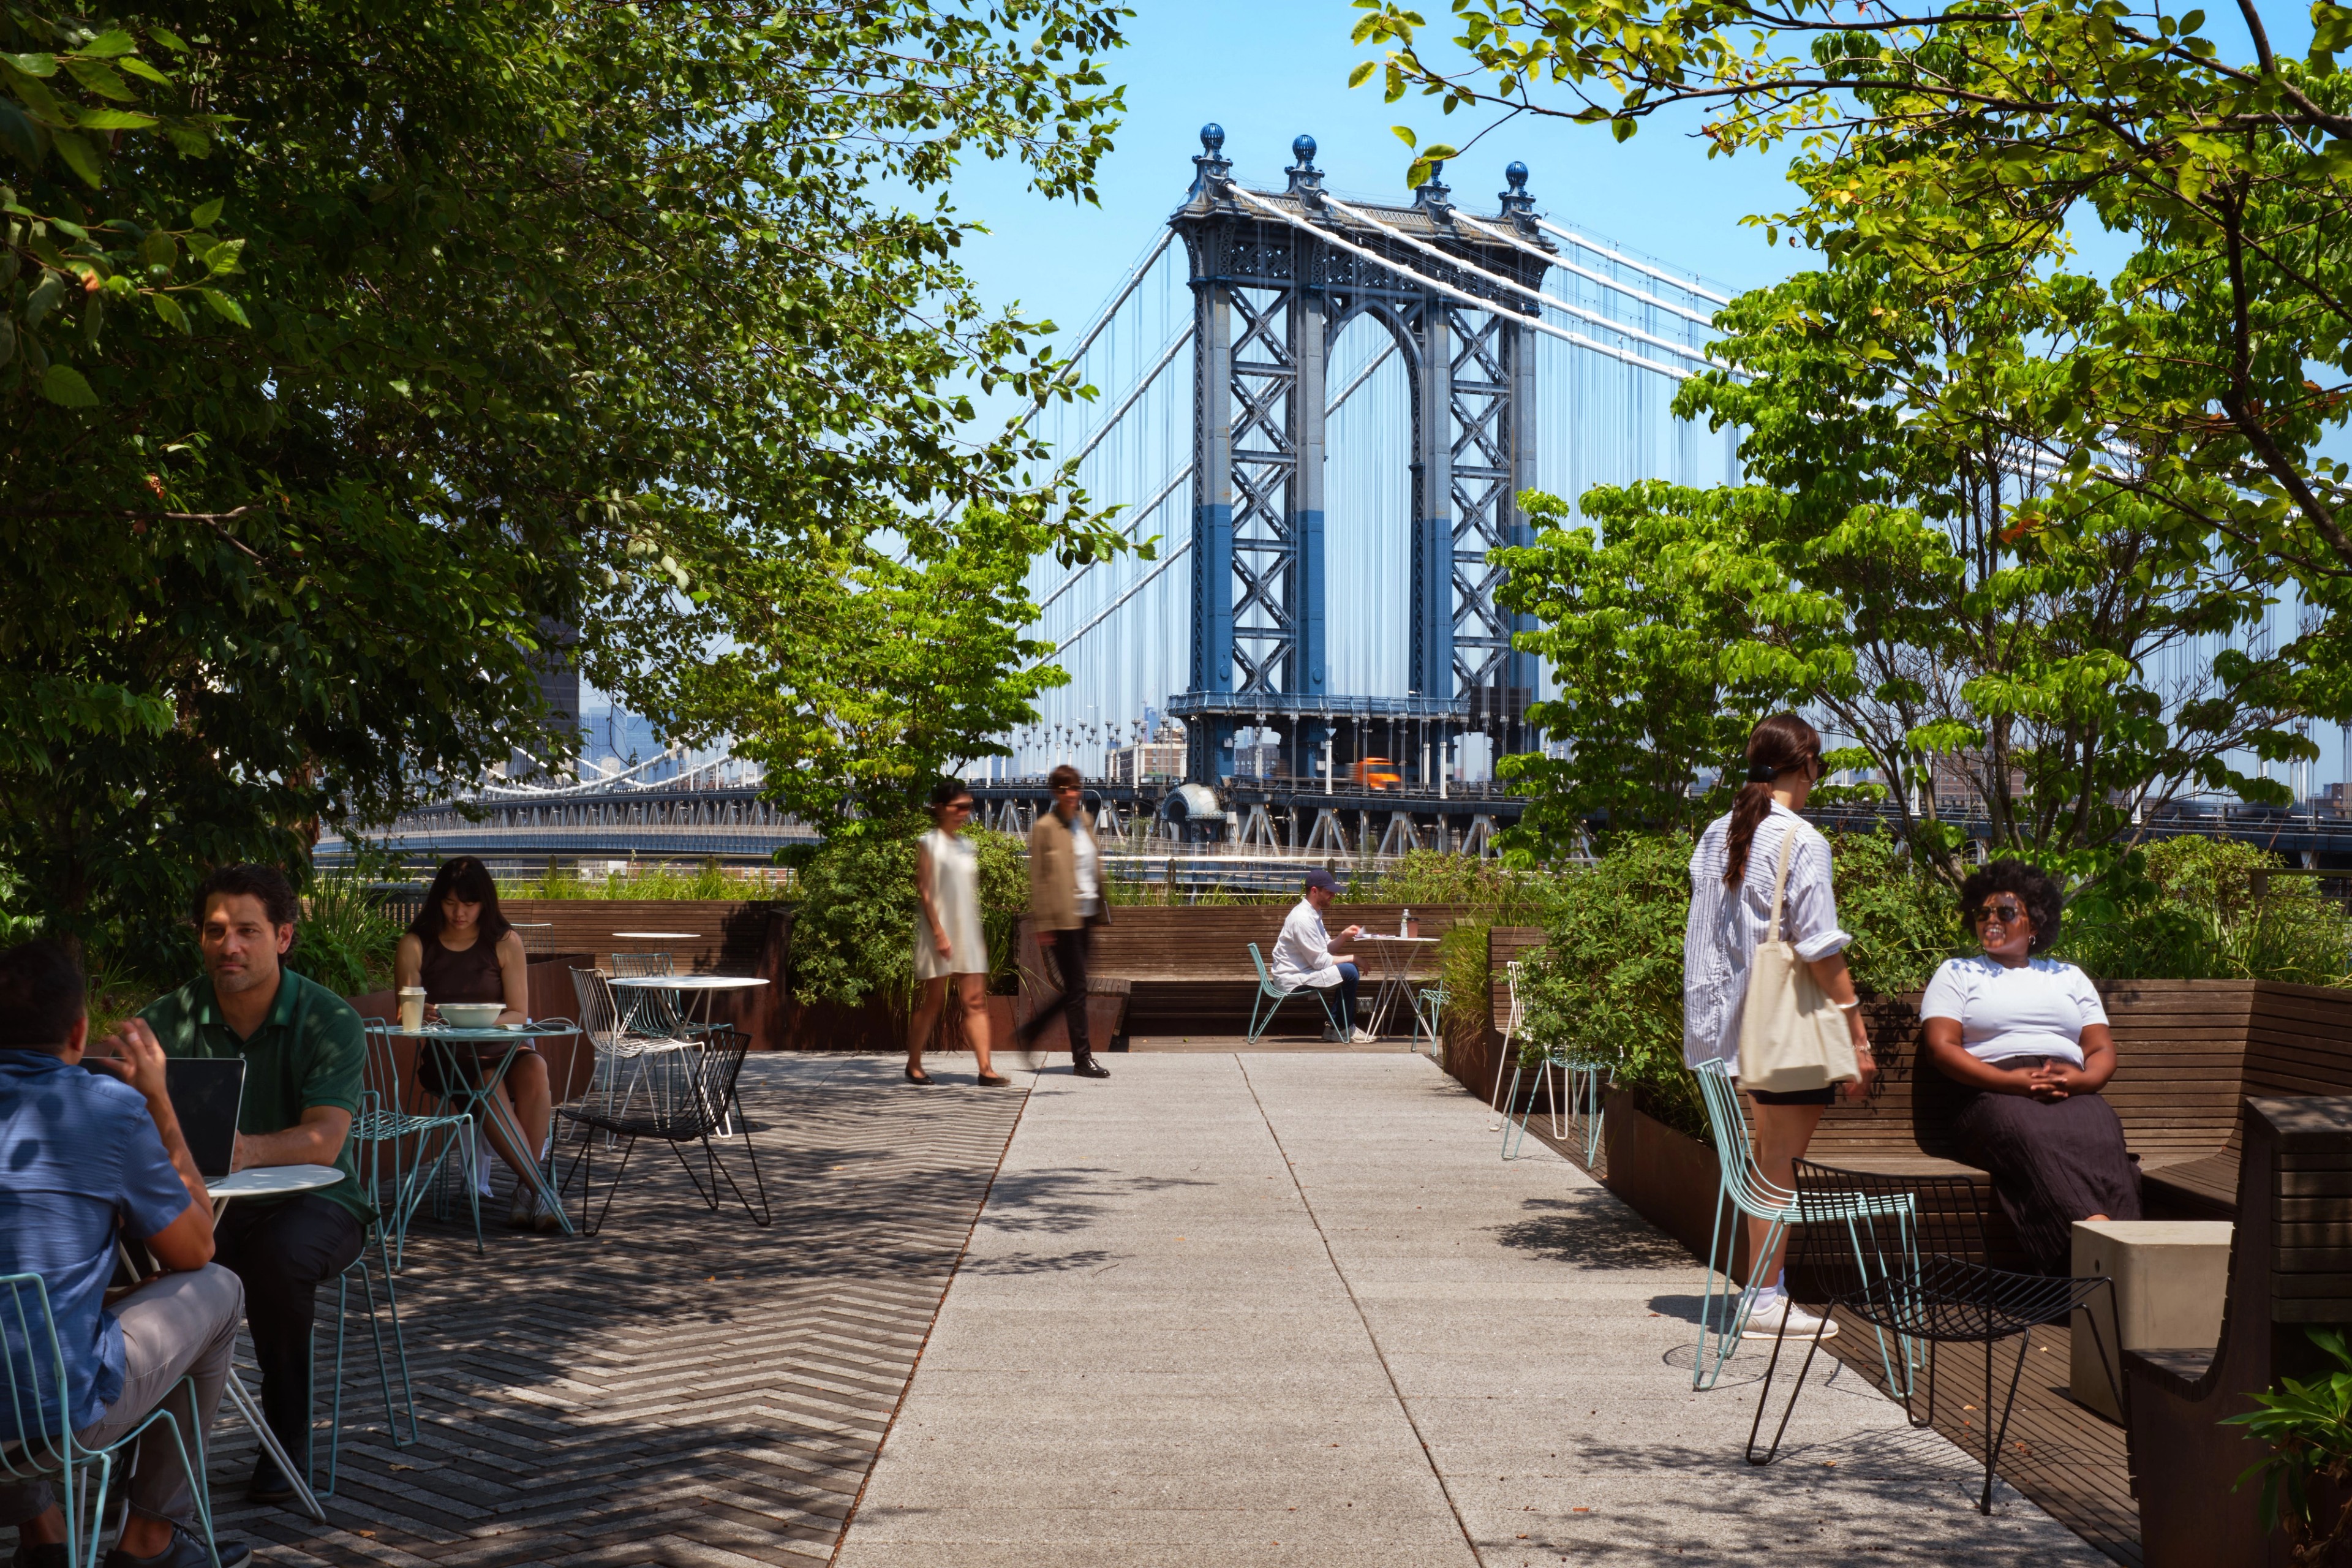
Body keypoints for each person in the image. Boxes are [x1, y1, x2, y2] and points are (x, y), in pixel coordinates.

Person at [0, 940, 249, 1568]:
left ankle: (43, 1537)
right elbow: (195, 1247)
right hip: (57, 1425)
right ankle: (150, 1541)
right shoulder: (107, 1108)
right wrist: (160, 1100)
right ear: (80, 1032)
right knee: (219, 1288)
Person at [140, 864, 366, 1507]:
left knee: (278, 1260)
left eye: (247, 930)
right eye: (215, 931)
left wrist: (245, 1151)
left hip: (317, 1200)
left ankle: (287, 1434)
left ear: (284, 936)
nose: (229, 946)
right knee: (135, 1254)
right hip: (203, 1204)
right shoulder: (168, 1019)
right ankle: (142, 1451)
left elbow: (324, 1139)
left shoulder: (329, 1019)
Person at [1683, 712, 1878, 1340]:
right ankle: (1766, 1296)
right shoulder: (1801, 838)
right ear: (1807, 764)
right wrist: (1857, 1032)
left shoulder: (1718, 831)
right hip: (1780, 1028)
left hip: (1727, 1027)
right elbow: (1820, 946)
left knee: (1769, 1158)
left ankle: (1763, 1291)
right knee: (1780, 1162)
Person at [1921, 859, 2141, 1274]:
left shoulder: (2068, 977)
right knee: (2031, 1134)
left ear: (2034, 924)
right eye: (1982, 913)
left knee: (2102, 1130)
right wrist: (2010, 1082)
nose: (1991, 920)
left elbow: (2100, 1050)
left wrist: (2082, 1081)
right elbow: (1942, 1048)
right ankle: (2092, 1253)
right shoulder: (1958, 973)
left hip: (2069, 1087)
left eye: (2005, 913)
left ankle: (2127, 1248)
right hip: (1989, 1094)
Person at [394, 856, 557, 1229]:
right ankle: (542, 1191)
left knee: (535, 1066)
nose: (459, 913)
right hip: (451, 1059)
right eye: (451, 903)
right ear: (438, 901)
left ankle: (525, 1191)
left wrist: (479, 1023)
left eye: (469, 904)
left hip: (500, 1047)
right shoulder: (416, 944)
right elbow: (405, 1014)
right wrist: (429, 1013)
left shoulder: (504, 942)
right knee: (486, 1082)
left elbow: (518, 1013)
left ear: (485, 903)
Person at [907, 781, 1008, 1088]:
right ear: (940, 808)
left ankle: (986, 1069)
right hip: (938, 931)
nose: (965, 813)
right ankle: (913, 1064)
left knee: (976, 1001)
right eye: (959, 807)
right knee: (934, 1001)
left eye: (969, 807)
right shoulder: (928, 843)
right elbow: (924, 890)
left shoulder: (967, 844)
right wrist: (939, 933)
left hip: (967, 931)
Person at [1015, 764, 1112, 1079]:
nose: (1072, 793)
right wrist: (1043, 923)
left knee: (1075, 989)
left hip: (1086, 916)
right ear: (1055, 793)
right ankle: (1082, 1059)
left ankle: (1032, 1032)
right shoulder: (1045, 827)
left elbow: (1091, 865)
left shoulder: (1084, 821)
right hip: (1062, 918)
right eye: (1065, 789)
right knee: (1078, 988)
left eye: (1075, 787)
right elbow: (1039, 878)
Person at [1270, 869, 1374, 1043]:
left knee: (1348, 970)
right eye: (1329, 892)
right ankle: (1343, 1028)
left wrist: (1343, 935)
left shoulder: (1314, 914)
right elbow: (1320, 962)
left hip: (1303, 971)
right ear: (1314, 891)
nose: (1333, 895)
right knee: (1349, 971)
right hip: (1293, 979)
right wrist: (1354, 958)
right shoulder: (1302, 918)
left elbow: (1326, 949)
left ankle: (1336, 1028)